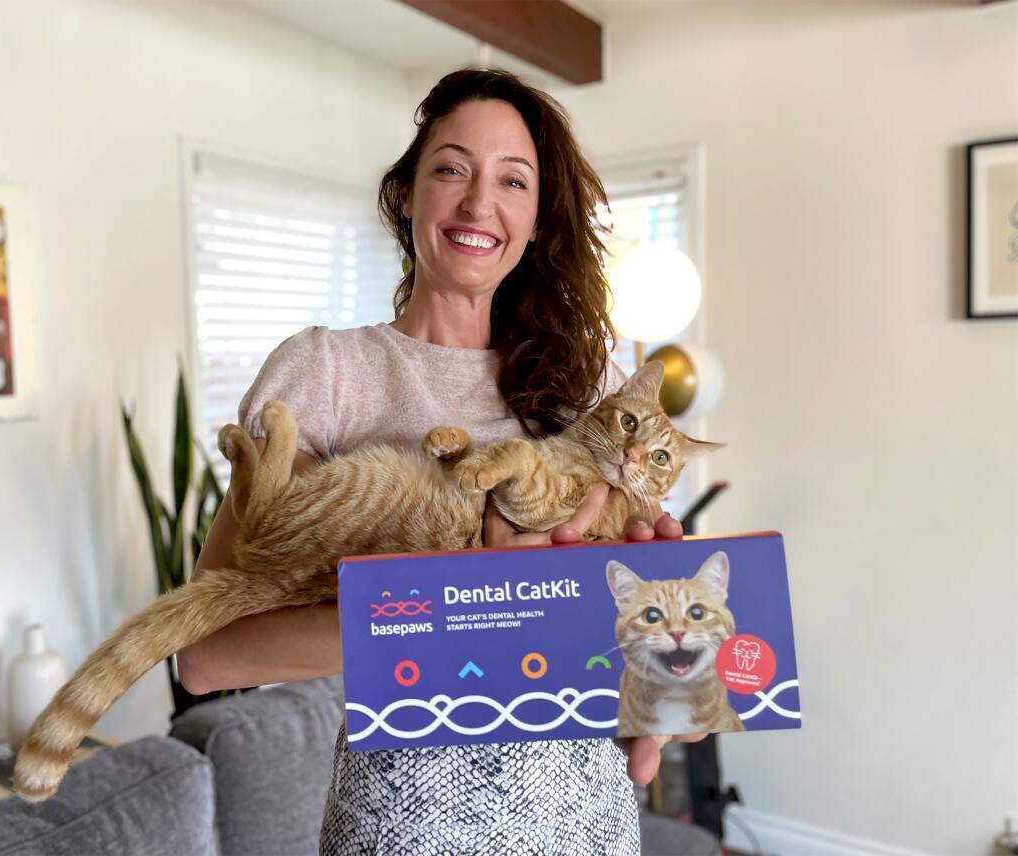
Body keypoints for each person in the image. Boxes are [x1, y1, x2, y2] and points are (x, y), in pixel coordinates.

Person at [179, 67, 696, 854]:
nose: (478, 202)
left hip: (584, 818)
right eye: (452, 168)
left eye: (512, 182)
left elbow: (618, 637)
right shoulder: (328, 374)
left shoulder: (592, 386)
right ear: (407, 195)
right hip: (406, 823)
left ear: (535, 222)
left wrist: (661, 673)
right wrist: (462, 602)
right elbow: (208, 653)